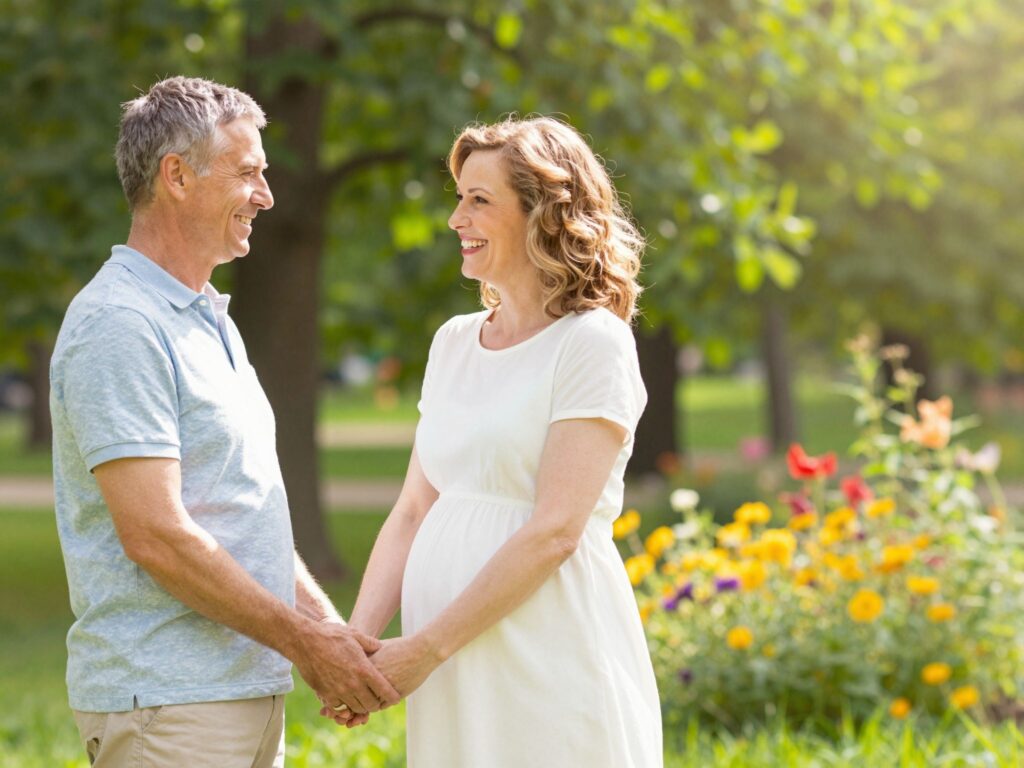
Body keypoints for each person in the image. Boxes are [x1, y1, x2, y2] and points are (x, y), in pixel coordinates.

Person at [49, 76, 398, 767]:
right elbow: (157, 535)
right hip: (168, 706)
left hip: (234, 697)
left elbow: (240, 514)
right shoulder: (122, 325)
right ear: (176, 177)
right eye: (248, 173)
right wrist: (306, 644)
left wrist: (327, 631)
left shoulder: (205, 317)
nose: (266, 196)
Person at [345, 117, 663, 766]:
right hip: (452, 663)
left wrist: (426, 648)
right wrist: (356, 648)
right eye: (458, 198)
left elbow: (555, 531)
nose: (456, 218)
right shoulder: (453, 342)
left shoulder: (591, 344)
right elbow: (412, 509)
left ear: (545, 215)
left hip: (546, 647)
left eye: (480, 201)